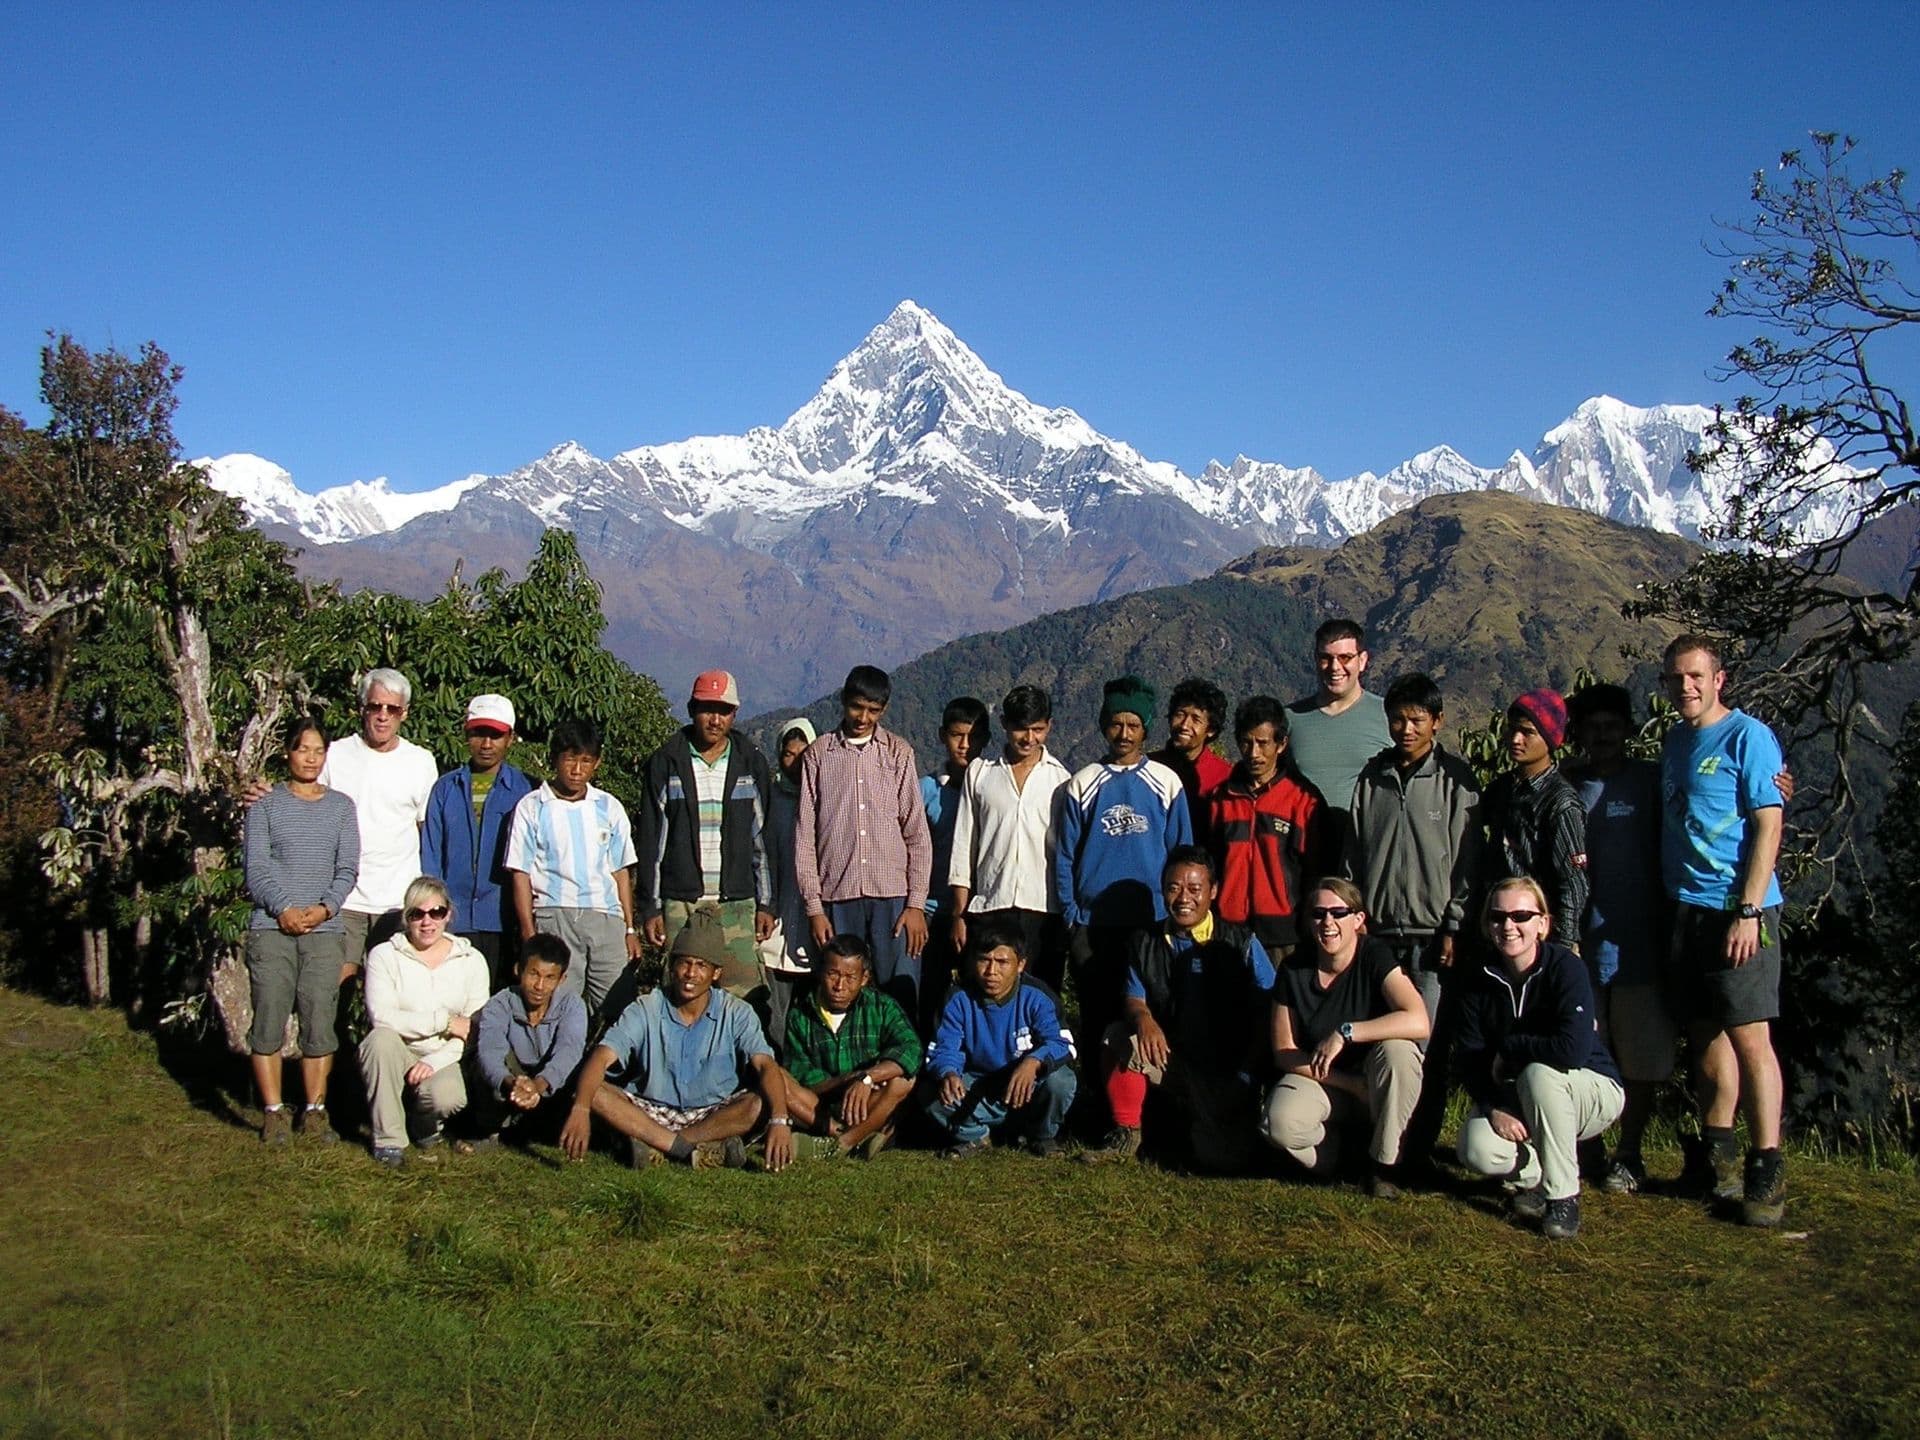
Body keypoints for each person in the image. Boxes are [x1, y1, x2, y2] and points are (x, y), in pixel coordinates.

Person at [1659, 635, 1789, 1227]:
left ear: (1719, 679)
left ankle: (1766, 1164)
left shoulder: (1748, 737)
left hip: (1736, 911)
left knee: (1750, 1037)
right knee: (1706, 1036)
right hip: (1686, 909)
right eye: (1675, 677)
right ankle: (1718, 1156)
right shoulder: (1676, 740)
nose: (1685, 686)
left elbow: (1768, 824)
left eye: (1695, 676)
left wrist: (1750, 910)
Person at [1347, 672, 1482, 1172]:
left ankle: (1417, 1149)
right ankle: (1378, 1144)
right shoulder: (1372, 778)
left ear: (1437, 722)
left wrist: (1454, 924)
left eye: (1417, 720)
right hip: (1379, 933)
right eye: (1398, 719)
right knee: (1380, 1045)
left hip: (1432, 939)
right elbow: (1354, 855)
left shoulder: (1456, 781)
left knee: (1425, 1047)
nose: (1406, 729)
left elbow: (1468, 863)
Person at [1082, 847, 1276, 1171]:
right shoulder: (1144, 942)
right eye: (1173, 888)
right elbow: (1134, 996)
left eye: (1194, 889)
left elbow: (1268, 1010)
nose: (1183, 897)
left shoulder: (1241, 942)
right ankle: (1127, 1133)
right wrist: (1143, 1018)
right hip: (1171, 1058)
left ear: (1213, 891)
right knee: (1118, 1037)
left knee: (1218, 1160)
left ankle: (1200, 1123)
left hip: (1227, 1071)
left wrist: (1245, 1076)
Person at [560, 908, 796, 1172]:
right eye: (684, 963)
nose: (690, 973)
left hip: (711, 1112)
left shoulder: (736, 1012)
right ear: (672, 967)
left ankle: (657, 1144)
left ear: (716, 973)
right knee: (596, 1093)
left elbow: (765, 1065)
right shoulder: (647, 1007)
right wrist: (580, 1110)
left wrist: (780, 1120)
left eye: (701, 965)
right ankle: (691, 1149)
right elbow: (603, 1056)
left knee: (758, 1103)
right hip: (651, 1110)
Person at [1454, 877, 1624, 1239]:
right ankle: (1538, 1175)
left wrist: (1510, 1046)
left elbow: (1573, 1049)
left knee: (1539, 1074)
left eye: (1521, 916)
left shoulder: (1566, 968)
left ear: (1543, 924)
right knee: (1476, 1149)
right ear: (1487, 925)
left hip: (1591, 1088)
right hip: (1519, 1096)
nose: (1509, 926)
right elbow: (1468, 1056)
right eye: (1498, 917)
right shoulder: (1477, 978)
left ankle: (1563, 1198)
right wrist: (1492, 1107)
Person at [1564, 684, 1676, 1195]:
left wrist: (1774, 785)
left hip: (1639, 943)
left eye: (1612, 726)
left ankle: (1630, 1151)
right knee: (1587, 1048)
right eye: (1593, 727)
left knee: (1640, 1056)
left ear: (1629, 730)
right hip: (1578, 945)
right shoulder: (1566, 786)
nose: (1603, 736)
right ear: (1579, 734)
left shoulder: (1652, 782)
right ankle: (1588, 1147)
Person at [1056, 676, 1192, 1089]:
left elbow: (1182, 852)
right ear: (1103, 725)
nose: (1124, 734)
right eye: (1116, 723)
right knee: (1097, 1018)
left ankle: (1152, 1110)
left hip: (1150, 925)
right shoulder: (1083, 783)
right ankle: (1097, 1108)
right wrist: (1070, 915)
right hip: (1093, 924)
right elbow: (1064, 854)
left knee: (1152, 1017)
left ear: (1146, 729)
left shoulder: (1166, 783)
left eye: (1134, 725)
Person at [1262, 878, 1430, 1197]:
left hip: (1375, 1082)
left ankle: (1384, 1166)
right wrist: (1348, 1083)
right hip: (1327, 1080)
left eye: (1339, 913)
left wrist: (1346, 1032)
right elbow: (1284, 1051)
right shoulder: (1293, 968)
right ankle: (1338, 1163)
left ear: (1358, 920)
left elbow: (1418, 1020)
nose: (1328, 922)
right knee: (1278, 1122)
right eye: (1319, 913)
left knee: (1400, 1053)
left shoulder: (1375, 955)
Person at [243, 716, 360, 1145]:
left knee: (319, 1020)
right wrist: (284, 909)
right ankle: (273, 1111)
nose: (310, 758)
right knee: (269, 1017)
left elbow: (347, 868)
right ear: (287, 753)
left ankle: (315, 1110)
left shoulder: (342, 807)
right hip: (271, 928)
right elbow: (256, 869)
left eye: (318, 750)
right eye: (302, 749)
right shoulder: (265, 804)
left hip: (325, 929)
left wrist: (324, 908)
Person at [794, 665, 933, 1021]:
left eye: (873, 710)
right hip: (837, 896)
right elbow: (805, 836)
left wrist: (915, 904)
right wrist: (814, 907)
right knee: (839, 992)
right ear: (843, 702)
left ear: (883, 710)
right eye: (857, 707)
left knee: (899, 991)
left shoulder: (898, 754)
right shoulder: (819, 755)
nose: (863, 717)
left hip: (893, 898)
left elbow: (916, 833)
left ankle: (902, 1072)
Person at [635, 670, 776, 1016]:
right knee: (681, 998)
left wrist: (766, 903)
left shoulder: (749, 762)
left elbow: (763, 837)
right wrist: (651, 907)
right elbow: (653, 840)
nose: (715, 719)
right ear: (691, 709)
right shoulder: (666, 763)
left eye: (723, 710)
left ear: (734, 715)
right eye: (707, 709)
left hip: (738, 904)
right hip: (682, 903)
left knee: (745, 1001)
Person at [504, 719, 642, 1015]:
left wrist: (629, 927)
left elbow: (620, 870)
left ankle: (610, 1063)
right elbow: (520, 873)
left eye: (586, 761)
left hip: (606, 919)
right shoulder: (532, 807)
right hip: (555, 916)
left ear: (597, 763)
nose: (577, 770)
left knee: (619, 1007)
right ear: (555, 758)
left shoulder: (609, 807)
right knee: (559, 1009)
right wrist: (529, 934)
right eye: (570, 759)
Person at [359, 876, 493, 1168]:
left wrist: (435, 1060)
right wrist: (443, 1021)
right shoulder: (384, 955)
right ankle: (389, 1142)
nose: (427, 921)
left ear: (448, 915)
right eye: (417, 914)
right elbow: (383, 1016)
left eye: (436, 912)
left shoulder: (471, 960)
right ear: (406, 918)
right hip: (398, 1047)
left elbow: (469, 1031)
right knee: (378, 1041)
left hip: (443, 1054)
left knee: (448, 1097)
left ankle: (424, 1123)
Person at [948, 684, 1071, 990]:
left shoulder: (1062, 780)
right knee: (984, 996)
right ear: (1004, 723)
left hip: (1043, 911)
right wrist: (959, 914)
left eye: (1038, 729)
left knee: (1041, 997)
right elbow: (964, 847)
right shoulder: (980, 774)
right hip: (989, 907)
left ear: (1049, 726)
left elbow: (1067, 854)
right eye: (1020, 729)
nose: (1029, 738)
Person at [923, 919, 1078, 1159]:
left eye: (1002, 962)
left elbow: (1062, 1043)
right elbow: (943, 1047)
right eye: (984, 960)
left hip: (1026, 1086)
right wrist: (949, 1072)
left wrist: (1033, 1062)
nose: (991, 971)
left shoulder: (1038, 995)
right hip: (979, 1084)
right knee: (929, 1091)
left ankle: (1041, 1135)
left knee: (1061, 1080)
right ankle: (975, 1136)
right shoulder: (958, 997)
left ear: (1020, 964)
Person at [319, 667, 441, 966]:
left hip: (398, 902)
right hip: (344, 899)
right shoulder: (334, 754)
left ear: (405, 713)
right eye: (375, 706)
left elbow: (428, 829)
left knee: (393, 993)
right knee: (337, 991)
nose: (383, 715)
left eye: (393, 708)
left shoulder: (421, 762)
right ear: (362, 708)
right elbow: (311, 812)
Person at [421, 693, 535, 987]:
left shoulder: (526, 790)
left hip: (503, 919)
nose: (486, 745)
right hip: (453, 920)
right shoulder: (445, 789)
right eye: (479, 734)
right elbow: (432, 855)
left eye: (495, 736)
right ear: (466, 733)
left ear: (510, 738)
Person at [780, 934, 922, 1158]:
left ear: (864, 978)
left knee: (903, 1081)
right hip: (820, 1108)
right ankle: (854, 1135)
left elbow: (911, 1049)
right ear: (821, 972)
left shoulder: (881, 1006)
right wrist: (850, 1080)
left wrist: (867, 1078)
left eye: (849, 977)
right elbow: (801, 1073)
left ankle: (841, 1144)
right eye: (832, 974)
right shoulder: (800, 1015)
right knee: (777, 1077)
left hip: (870, 1102)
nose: (839, 986)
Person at [1208, 694, 1329, 958]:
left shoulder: (1303, 800)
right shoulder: (1220, 799)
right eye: (1246, 743)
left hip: (1285, 937)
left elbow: (1316, 871)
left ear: (1281, 744)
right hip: (1227, 933)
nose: (1254, 753)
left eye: (1263, 743)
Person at [1480, 688, 1588, 950]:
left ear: (1550, 739)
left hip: (1540, 935)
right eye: (1512, 730)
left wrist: (1563, 944)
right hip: (1501, 928)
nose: (1516, 739)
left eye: (1528, 732)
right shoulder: (1501, 790)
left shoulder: (1560, 802)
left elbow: (1572, 881)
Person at [462, 932, 589, 1150]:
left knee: (580, 1070)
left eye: (550, 978)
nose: (539, 986)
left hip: (549, 1084)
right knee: (481, 1065)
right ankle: (489, 1128)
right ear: (518, 970)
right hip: (513, 1080)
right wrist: (514, 1084)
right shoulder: (499, 1003)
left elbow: (569, 1049)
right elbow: (490, 1050)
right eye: (533, 974)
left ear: (562, 979)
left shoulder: (573, 1005)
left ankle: (546, 1129)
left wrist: (538, 1085)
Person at [1286, 619, 1390, 853]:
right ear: (1315, 660)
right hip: (1305, 854)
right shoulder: (1290, 719)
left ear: (1362, 661)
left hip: (1367, 852)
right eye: (1326, 658)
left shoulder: (1388, 717)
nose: (1335, 667)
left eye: (1345, 658)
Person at [919, 697, 989, 1031]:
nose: (965, 745)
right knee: (930, 996)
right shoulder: (927, 791)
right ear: (941, 736)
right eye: (957, 736)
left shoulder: (994, 787)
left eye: (974, 737)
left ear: (986, 740)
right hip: (933, 911)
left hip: (981, 912)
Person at [760, 717, 818, 1059]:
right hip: (777, 918)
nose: (795, 762)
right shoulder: (770, 799)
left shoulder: (827, 796)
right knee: (774, 1015)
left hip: (813, 921)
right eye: (788, 754)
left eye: (803, 754)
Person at [1151, 677, 1232, 844]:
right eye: (1180, 714)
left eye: (1196, 719)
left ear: (1210, 730)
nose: (1184, 725)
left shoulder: (1224, 777)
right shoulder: (1149, 768)